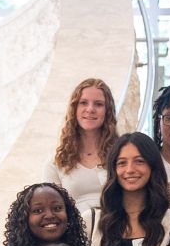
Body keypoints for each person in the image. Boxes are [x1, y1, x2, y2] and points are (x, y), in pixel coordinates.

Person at [96, 132, 170, 246]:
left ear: (153, 166)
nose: (130, 170)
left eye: (139, 161)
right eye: (122, 163)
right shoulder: (93, 222)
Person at [44, 77, 117, 225]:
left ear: (107, 111)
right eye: (83, 103)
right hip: (74, 235)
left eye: (98, 104)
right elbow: (52, 209)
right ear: (74, 109)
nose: (90, 109)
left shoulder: (120, 155)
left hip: (116, 230)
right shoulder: (56, 162)